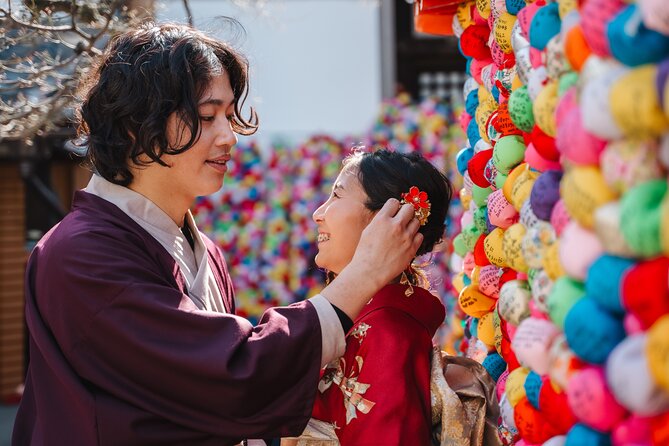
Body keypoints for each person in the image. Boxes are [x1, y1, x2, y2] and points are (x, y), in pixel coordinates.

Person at [12, 23, 424, 446]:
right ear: (136, 125)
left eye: (229, 115)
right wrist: (363, 275)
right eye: (207, 117)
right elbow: (232, 377)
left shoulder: (201, 248)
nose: (228, 136)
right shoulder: (81, 254)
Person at [283, 149, 454, 445]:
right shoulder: (367, 319)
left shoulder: (385, 331)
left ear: (388, 220)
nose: (318, 213)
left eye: (336, 196)